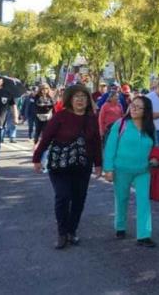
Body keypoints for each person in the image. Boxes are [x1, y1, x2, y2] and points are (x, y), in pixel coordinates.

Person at [32, 85, 102, 249]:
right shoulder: (61, 116)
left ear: (88, 100)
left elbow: (96, 142)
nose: (80, 100)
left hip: (82, 165)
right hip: (60, 165)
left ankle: (72, 230)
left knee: (79, 199)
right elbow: (46, 138)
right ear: (70, 99)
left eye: (83, 97)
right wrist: (37, 158)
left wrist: (99, 164)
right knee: (63, 196)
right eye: (76, 96)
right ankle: (62, 233)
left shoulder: (91, 117)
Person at [103, 96, 156, 247]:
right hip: (121, 169)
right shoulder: (121, 124)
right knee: (121, 198)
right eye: (133, 106)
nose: (134, 109)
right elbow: (110, 147)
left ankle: (144, 235)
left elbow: (156, 148)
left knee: (144, 201)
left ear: (146, 111)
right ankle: (120, 226)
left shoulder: (150, 128)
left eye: (139, 107)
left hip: (143, 170)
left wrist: (156, 159)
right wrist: (108, 169)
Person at [0, 73, 19, 170]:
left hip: (0, 122)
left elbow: (13, 106)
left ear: (2, 81)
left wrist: (15, 117)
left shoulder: (7, 93)